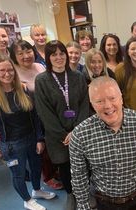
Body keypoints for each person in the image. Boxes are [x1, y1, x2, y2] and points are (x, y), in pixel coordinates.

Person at [0, 55, 56, 210]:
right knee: (19, 174)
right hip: (11, 145)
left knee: (36, 167)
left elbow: (34, 115)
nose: (7, 74)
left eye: (9, 70)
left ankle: (36, 191)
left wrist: (39, 138)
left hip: (31, 137)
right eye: (1, 70)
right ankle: (27, 200)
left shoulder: (23, 88)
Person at [69, 76, 136, 210]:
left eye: (112, 98)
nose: (108, 106)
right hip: (104, 203)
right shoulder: (80, 135)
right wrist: (83, 207)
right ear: (92, 104)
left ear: (121, 97)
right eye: (100, 101)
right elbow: (78, 176)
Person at [35, 40, 89, 210]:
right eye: (54, 54)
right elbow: (44, 112)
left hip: (78, 132)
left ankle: (85, 194)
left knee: (82, 164)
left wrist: (76, 131)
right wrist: (62, 134)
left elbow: (84, 105)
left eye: (61, 53)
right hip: (57, 136)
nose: (59, 57)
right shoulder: (42, 80)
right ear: (48, 57)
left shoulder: (77, 77)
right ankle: (71, 195)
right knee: (65, 167)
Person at [10, 40, 64, 190]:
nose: (26, 56)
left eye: (28, 51)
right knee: (42, 149)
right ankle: (48, 177)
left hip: (50, 111)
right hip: (31, 117)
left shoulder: (40, 66)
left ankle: (57, 170)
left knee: (54, 143)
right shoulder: (14, 72)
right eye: (20, 53)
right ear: (14, 56)